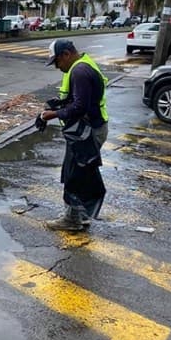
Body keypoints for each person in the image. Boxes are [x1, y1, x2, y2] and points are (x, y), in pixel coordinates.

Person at [39, 39, 108, 232]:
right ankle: (82, 215)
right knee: (81, 174)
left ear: (66, 55)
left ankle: (72, 220)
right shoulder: (83, 65)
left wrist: (51, 114)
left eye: (57, 62)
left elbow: (80, 107)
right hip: (91, 128)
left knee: (73, 176)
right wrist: (59, 104)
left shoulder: (79, 71)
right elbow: (80, 99)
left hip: (87, 132)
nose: (57, 67)